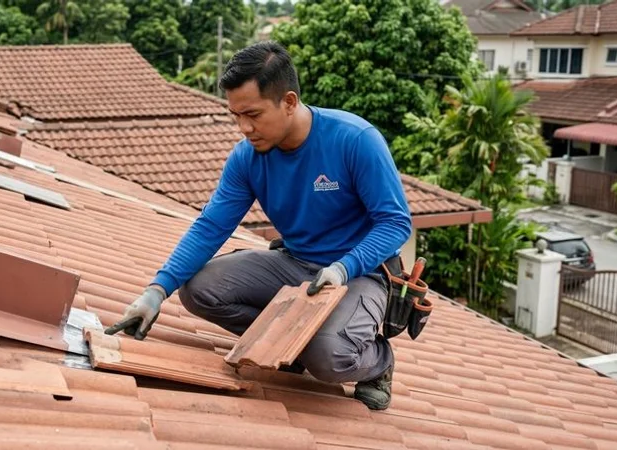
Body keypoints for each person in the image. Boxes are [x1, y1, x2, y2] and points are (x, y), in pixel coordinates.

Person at [105, 41, 412, 411]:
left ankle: (377, 363)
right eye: (235, 115)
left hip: (360, 272)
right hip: (296, 263)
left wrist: (344, 268)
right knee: (199, 289)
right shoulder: (248, 157)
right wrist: (156, 290)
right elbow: (211, 226)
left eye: (253, 114)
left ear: (289, 101)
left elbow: (395, 224)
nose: (244, 127)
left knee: (329, 356)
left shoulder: (354, 140)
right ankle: (292, 346)